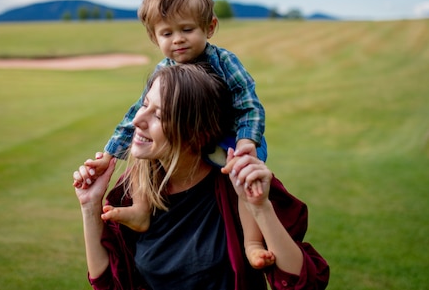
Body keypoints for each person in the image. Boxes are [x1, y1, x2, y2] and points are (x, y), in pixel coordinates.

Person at [73, 64, 330, 290]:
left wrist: (261, 207)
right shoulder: (136, 189)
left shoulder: (240, 185)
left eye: (160, 115)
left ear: (198, 134)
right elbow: (110, 284)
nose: (138, 120)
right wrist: (89, 205)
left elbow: (303, 285)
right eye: (144, 105)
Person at [82, 0, 270, 267]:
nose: (178, 39)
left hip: (227, 140)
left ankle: (253, 242)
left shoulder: (224, 62)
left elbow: (249, 105)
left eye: (187, 29)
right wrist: (109, 155)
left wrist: (247, 141)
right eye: (167, 33)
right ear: (155, 38)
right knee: (144, 149)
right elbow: (136, 115)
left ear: (209, 27)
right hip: (180, 142)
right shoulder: (163, 71)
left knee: (242, 180)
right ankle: (142, 209)